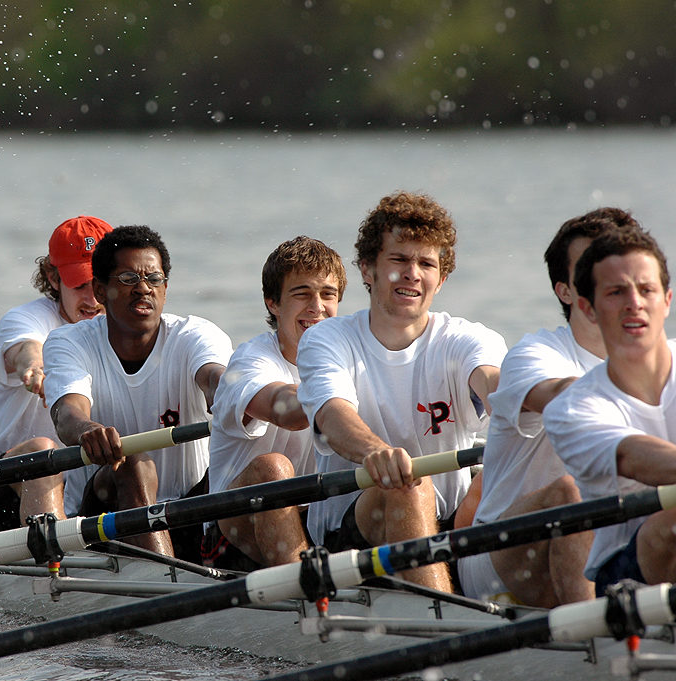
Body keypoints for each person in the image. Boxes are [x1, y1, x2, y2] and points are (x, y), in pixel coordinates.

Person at [297, 191, 506, 591]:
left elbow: (494, 384)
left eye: (426, 263)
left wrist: (532, 407)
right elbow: (333, 415)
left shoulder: (467, 338)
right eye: (399, 260)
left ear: (440, 280)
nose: (412, 273)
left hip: (449, 522)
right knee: (411, 484)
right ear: (367, 269)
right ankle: (447, 620)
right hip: (352, 533)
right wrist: (376, 452)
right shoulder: (328, 339)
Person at [458, 208, 642, 606]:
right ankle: (592, 644)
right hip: (498, 552)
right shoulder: (535, 354)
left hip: (611, 536)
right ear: (564, 290)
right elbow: (570, 397)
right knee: (570, 492)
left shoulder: (665, 360)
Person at [44, 225, 233, 559]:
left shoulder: (196, 334)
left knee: (255, 466)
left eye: (154, 279)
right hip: (103, 517)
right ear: (100, 291)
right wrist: (87, 430)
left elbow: (214, 377)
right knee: (135, 464)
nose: (144, 288)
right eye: (129, 279)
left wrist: (233, 398)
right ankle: (168, 581)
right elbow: (67, 414)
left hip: (189, 510)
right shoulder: (69, 342)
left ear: (165, 287)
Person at [0, 216, 113, 533]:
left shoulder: (127, 334)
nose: (93, 299)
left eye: (99, 284)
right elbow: (27, 350)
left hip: (76, 498)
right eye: (79, 284)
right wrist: (36, 371)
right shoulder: (27, 319)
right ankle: (54, 570)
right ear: (53, 278)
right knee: (43, 449)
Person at [544, 228, 676, 595]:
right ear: (587, 308)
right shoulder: (572, 409)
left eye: (646, 290)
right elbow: (636, 458)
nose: (634, 302)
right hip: (626, 571)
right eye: (616, 292)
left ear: (666, 300)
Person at [203, 236, 346, 569]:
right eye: (302, 294)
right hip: (237, 527)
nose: (317, 307)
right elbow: (289, 411)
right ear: (273, 303)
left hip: (315, 518)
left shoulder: (352, 358)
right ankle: (303, 596)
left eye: (328, 294)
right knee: (274, 468)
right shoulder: (250, 362)